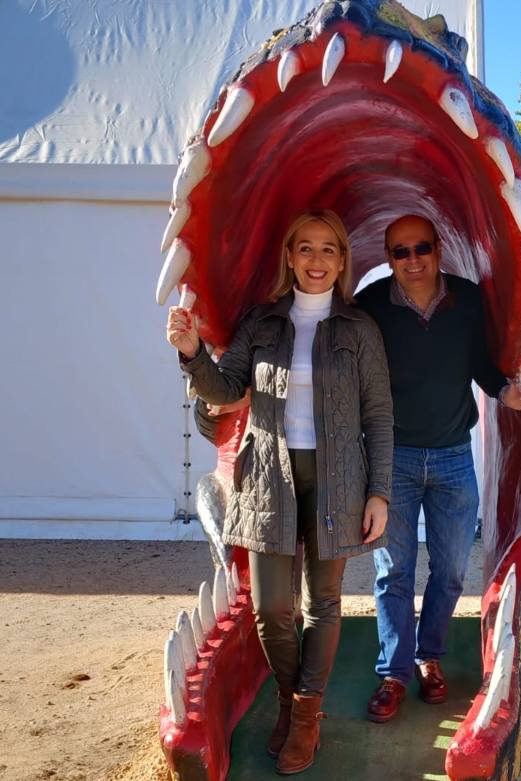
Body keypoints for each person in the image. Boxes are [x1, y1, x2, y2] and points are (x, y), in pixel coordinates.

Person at [166, 209, 393, 774]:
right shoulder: (262, 323)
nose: (317, 261)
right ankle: (296, 708)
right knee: (271, 609)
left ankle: (305, 718)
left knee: (323, 603)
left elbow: (380, 415)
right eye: (306, 249)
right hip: (268, 474)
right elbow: (226, 387)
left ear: (342, 261)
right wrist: (195, 353)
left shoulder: (359, 329)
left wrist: (379, 492)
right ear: (290, 257)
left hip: (339, 478)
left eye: (329, 251)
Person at [355, 214, 521, 723]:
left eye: (421, 248)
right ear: (388, 259)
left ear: (440, 249)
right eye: (400, 252)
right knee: (394, 572)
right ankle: (393, 673)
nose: (413, 260)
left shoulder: (468, 299)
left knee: (452, 569)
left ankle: (428, 656)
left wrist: (504, 391)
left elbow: (481, 361)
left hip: (454, 455)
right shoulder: (370, 308)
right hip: (394, 458)